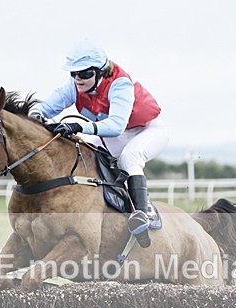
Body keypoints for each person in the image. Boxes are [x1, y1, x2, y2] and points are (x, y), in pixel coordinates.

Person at [30, 39, 168, 248]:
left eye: (84, 73)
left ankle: (143, 212)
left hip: (148, 130)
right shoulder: (75, 86)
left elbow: (116, 126)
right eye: (74, 73)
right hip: (119, 135)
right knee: (84, 150)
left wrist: (78, 126)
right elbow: (48, 106)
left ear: (100, 71)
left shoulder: (120, 84)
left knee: (130, 157)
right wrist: (35, 114)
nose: (78, 79)